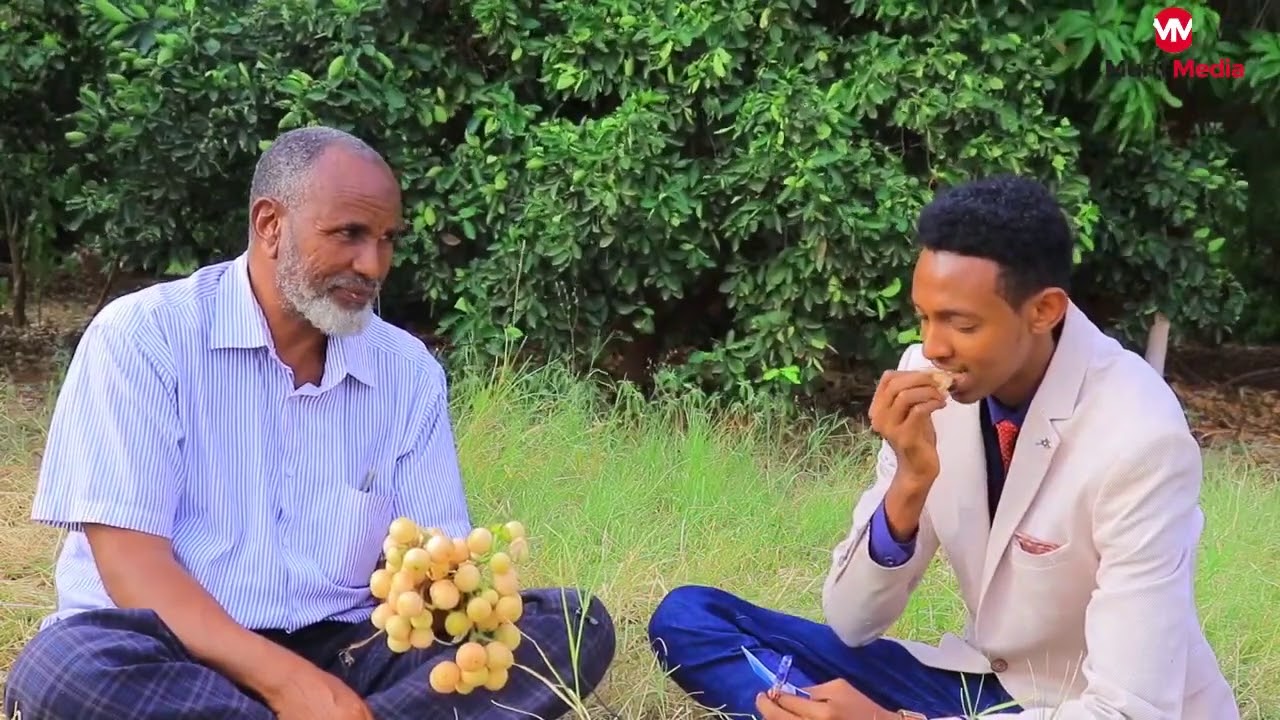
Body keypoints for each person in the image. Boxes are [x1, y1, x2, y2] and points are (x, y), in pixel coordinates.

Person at [3, 126, 616, 720]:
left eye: (386, 239)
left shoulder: (408, 373)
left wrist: (449, 586)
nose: (372, 265)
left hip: (344, 654)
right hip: (174, 649)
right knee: (67, 670)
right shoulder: (145, 338)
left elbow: (428, 569)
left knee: (569, 626)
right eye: (349, 234)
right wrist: (289, 686)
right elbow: (133, 570)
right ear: (271, 225)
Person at [647, 175, 1240, 719]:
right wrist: (909, 482)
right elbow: (853, 623)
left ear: (1043, 310)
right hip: (974, 687)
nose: (932, 348)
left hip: (1082, 704)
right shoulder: (929, 385)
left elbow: (1130, 709)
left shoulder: (1140, 438)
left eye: (961, 324)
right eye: (923, 318)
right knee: (690, 620)